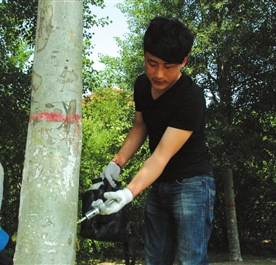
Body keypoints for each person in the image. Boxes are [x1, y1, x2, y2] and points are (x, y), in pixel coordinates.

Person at [93, 17, 216, 265]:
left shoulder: (190, 98)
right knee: (155, 259)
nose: (158, 74)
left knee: (190, 260)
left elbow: (161, 154)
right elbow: (140, 126)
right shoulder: (142, 84)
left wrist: (129, 192)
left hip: (192, 184)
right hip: (158, 183)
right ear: (145, 56)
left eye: (168, 66)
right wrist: (117, 163)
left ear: (184, 61)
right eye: (152, 63)